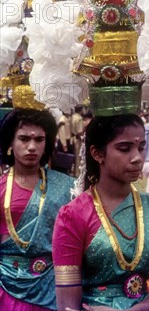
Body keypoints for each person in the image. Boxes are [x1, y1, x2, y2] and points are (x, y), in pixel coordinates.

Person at [52, 114, 149, 311]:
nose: (137, 158)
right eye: (124, 149)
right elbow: (67, 303)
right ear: (97, 154)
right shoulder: (73, 215)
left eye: (141, 147)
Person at [0, 108, 74, 311]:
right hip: (6, 289)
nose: (31, 147)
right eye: (23, 139)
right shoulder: (1, 188)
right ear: (10, 143)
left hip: (54, 288)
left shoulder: (69, 188)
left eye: (39, 140)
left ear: (47, 143)